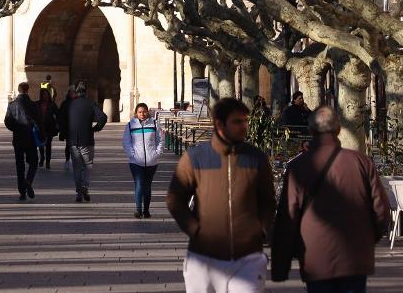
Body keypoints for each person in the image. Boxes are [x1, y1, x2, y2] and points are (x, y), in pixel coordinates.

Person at [270, 106, 391, 293]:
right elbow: (382, 211)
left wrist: (281, 264)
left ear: (311, 131)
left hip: (315, 255)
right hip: (354, 256)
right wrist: (365, 239)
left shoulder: (299, 167)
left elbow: (287, 217)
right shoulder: (361, 162)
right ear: (338, 129)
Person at [167, 97, 276, 293]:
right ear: (219, 124)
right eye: (237, 121)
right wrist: (195, 230)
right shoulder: (195, 157)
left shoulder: (256, 158)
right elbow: (175, 198)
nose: (244, 126)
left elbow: (268, 200)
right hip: (203, 258)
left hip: (248, 257)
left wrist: (262, 230)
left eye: (245, 121)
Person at [65, 82, 108, 202]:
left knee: (77, 167)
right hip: (87, 139)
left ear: (76, 92)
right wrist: (97, 128)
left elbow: (62, 118)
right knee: (88, 165)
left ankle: (79, 192)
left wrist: (65, 132)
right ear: (86, 92)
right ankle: (85, 186)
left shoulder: (70, 104)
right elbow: (103, 117)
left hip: (73, 140)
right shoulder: (90, 103)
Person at [123, 102, 164, 218]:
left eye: (144, 111)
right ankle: (138, 210)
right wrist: (132, 154)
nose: (142, 114)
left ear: (148, 112)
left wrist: (157, 153)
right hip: (136, 162)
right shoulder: (130, 125)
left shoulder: (154, 124)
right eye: (140, 112)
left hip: (151, 161)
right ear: (136, 113)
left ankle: (146, 210)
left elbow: (160, 140)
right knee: (139, 184)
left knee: (147, 185)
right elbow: (126, 142)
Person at [4, 81, 44, 201]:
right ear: (27, 90)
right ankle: (28, 181)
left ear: (19, 90)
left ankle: (22, 191)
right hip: (30, 138)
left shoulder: (12, 105)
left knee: (19, 165)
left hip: (18, 139)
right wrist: (42, 134)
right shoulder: (33, 105)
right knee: (34, 162)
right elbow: (39, 120)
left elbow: (7, 121)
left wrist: (15, 129)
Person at [36, 87, 60, 168]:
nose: (45, 96)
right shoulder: (37, 104)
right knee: (41, 145)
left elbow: (57, 114)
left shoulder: (52, 104)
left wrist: (57, 123)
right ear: (41, 96)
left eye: (46, 95)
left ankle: (48, 161)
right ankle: (42, 158)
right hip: (40, 127)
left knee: (48, 145)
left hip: (49, 127)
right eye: (43, 95)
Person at [58, 85, 77, 168]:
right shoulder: (65, 103)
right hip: (68, 127)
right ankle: (67, 159)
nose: (73, 93)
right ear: (69, 93)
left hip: (77, 127)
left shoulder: (79, 102)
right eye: (71, 92)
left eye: (74, 92)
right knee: (69, 144)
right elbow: (61, 115)